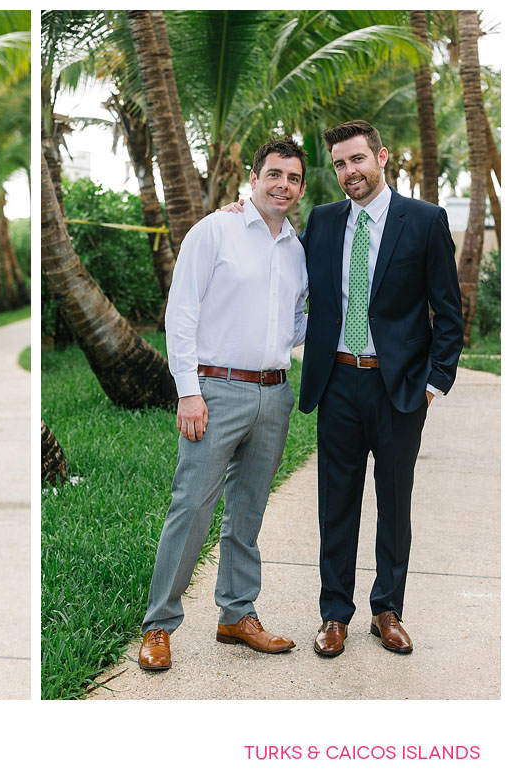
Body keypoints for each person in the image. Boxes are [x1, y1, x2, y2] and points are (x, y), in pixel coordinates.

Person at [138, 138, 309, 671]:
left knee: (249, 512)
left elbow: (299, 318)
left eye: (293, 178)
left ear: (301, 189)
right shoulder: (215, 230)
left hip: (275, 392)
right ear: (253, 178)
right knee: (192, 508)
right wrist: (188, 389)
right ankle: (158, 625)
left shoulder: (297, 249)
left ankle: (237, 614)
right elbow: (181, 312)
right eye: (274, 174)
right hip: (216, 391)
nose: (283, 185)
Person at [298, 121, 462, 657]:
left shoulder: (425, 220)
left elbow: (449, 313)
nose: (350, 173)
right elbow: (282, 263)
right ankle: (334, 614)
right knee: (336, 504)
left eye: (358, 160)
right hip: (338, 381)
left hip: (400, 390)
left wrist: (433, 385)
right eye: (340, 164)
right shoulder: (321, 223)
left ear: (382, 157)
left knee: (395, 503)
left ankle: (387, 610)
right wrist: (241, 217)